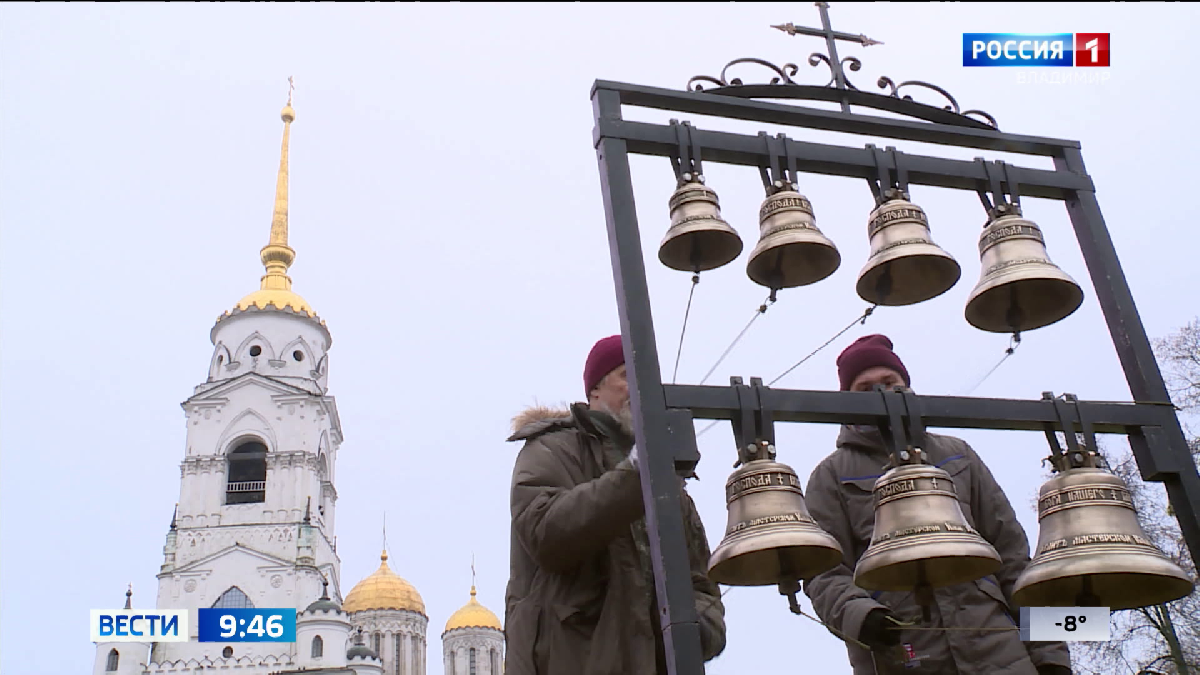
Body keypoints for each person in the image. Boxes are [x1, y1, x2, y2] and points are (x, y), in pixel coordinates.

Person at [803, 334, 1072, 675]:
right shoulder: (831, 476)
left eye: (889, 382)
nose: (881, 393)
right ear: (847, 401)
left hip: (1001, 655)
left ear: (907, 385)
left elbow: (1013, 556)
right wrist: (861, 616)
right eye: (865, 387)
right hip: (901, 656)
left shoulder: (957, 454)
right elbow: (823, 571)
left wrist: (1051, 657)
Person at [503, 334, 727, 675]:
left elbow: (700, 581)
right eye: (626, 377)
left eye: (647, 382)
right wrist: (637, 474)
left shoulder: (667, 483)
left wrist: (698, 630)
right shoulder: (551, 450)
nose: (639, 391)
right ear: (595, 390)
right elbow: (545, 533)